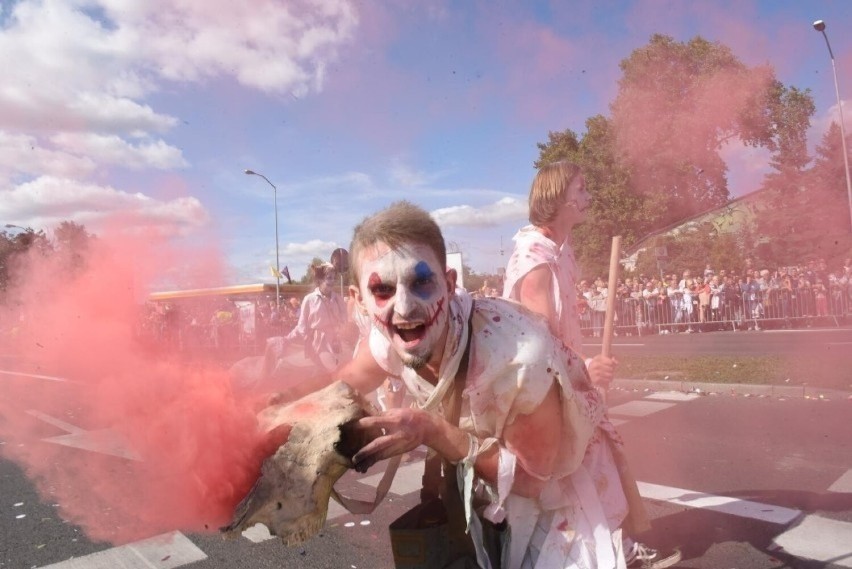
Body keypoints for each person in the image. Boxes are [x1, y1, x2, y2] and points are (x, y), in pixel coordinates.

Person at [326, 201, 627, 568]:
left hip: (556, 501)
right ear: (359, 301)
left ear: (450, 284)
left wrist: (432, 431)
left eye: (421, 282)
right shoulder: (386, 337)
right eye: (383, 290)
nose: (404, 309)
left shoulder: (518, 358)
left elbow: (533, 481)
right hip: (487, 497)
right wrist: (271, 409)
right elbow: (343, 384)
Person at [502, 161, 680, 569]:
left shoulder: (561, 252)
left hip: (569, 384)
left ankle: (610, 550)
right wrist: (585, 366)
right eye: (581, 190)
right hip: (545, 390)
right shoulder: (534, 258)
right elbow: (540, 342)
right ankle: (605, 553)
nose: (588, 198)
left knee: (591, 473)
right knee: (582, 475)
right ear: (560, 198)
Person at [269, 263, 349, 373]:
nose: (332, 281)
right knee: (335, 369)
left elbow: (345, 319)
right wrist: (295, 339)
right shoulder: (309, 299)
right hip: (319, 342)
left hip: (338, 340)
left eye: (334, 278)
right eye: (329, 278)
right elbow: (302, 326)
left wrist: (343, 331)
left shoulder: (338, 299)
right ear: (320, 280)